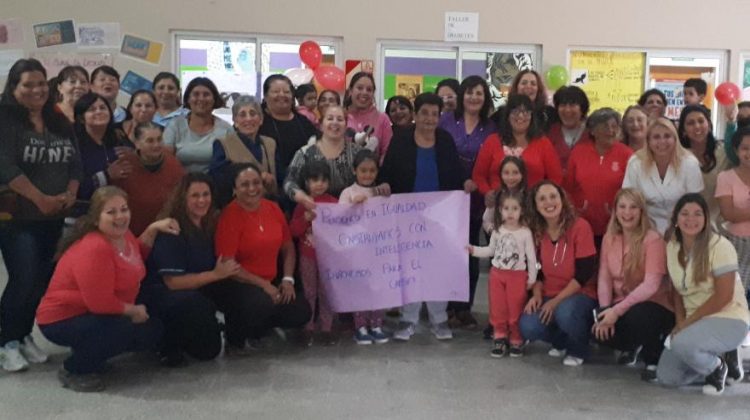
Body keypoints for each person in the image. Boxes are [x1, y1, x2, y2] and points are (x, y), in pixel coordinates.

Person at [36, 186, 178, 391]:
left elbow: (136, 255)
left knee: (151, 330)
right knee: (123, 329)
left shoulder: (124, 235)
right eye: (111, 212)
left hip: (97, 312)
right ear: (96, 218)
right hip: (62, 319)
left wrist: (153, 228)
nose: (120, 216)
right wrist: (133, 310)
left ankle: (92, 352)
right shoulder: (95, 248)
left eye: (124, 209)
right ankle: (75, 368)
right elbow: (100, 303)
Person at [0, 58, 81, 372]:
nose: (35, 90)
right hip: (17, 217)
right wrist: (39, 198)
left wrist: (71, 192)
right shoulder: (6, 118)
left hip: (53, 216)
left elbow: (75, 163)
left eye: (39, 83)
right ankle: (5, 341)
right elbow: (5, 166)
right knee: (23, 278)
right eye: (27, 84)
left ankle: (22, 336)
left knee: (40, 281)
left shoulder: (57, 119)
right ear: (14, 88)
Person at [379, 93, 470, 341]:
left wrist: (466, 182)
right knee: (409, 267)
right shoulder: (401, 140)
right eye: (425, 113)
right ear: (415, 115)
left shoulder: (445, 140)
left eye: (434, 114)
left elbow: (456, 171)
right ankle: (409, 318)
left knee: (437, 267)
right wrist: (384, 185)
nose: (429, 118)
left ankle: (438, 319)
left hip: (440, 216)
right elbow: (387, 172)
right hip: (407, 216)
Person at [656, 194, 749, 396]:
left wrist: (685, 325)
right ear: (676, 219)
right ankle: (716, 357)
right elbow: (677, 291)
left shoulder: (720, 246)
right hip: (694, 322)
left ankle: (716, 368)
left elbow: (723, 297)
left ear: (706, 218)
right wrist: (680, 320)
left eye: (698, 214)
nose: (691, 219)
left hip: (728, 318)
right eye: (685, 214)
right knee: (667, 378)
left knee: (682, 343)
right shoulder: (672, 246)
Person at [141, 173, 236, 366]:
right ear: (182, 198)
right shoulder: (172, 229)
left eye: (205, 194)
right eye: (195, 196)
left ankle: (238, 335)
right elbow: (173, 282)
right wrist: (216, 275)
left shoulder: (209, 223)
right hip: (166, 295)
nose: (201, 200)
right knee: (208, 351)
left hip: (198, 289)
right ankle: (166, 340)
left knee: (238, 292)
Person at [214, 163, 312, 349]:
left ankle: (263, 326)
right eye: (244, 184)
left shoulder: (273, 208)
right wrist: (264, 285)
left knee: (301, 310)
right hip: (239, 283)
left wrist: (288, 279)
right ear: (234, 189)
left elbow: (288, 246)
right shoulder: (229, 216)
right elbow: (228, 264)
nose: (252, 188)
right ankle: (240, 331)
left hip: (271, 281)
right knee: (260, 304)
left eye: (256, 182)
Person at [594, 188, 675, 382]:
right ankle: (632, 346)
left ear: (642, 212)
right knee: (599, 332)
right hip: (624, 304)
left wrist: (616, 312)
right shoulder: (609, 238)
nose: (627, 213)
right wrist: (605, 310)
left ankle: (653, 358)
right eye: (622, 206)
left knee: (640, 316)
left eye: (633, 207)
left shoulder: (653, 240)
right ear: (615, 210)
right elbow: (604, 276)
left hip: (655, 305)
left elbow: (651, 285)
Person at [438, 75, 496, 329]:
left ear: (485, 98)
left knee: (470, 255)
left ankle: (464, 308)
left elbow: (494, 160)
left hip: (477, 200)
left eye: (479, 93)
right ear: (462, 96)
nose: (474, 97)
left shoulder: (492, 127)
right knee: (448, 254)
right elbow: (439, 153)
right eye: (470, 92)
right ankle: (446, 307)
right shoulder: (447, 121)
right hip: (449, 196)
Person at [519, 181, 598, 367]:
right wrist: (537, 295)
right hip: (548, 292)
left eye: (553, 196)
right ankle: (561, 340)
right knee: (528, 326)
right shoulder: (537, 231)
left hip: (580, 293)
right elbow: (536, 269)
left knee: (566, 313)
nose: (549, 202)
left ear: (562, 199)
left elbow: (584, 273)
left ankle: (578, 348)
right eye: (542, 199)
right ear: (536, 206)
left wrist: (555, 302)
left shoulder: (580, 226)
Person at [469, 190, 537, 357]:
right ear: (500, 210)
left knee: (515, 308)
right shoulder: (498, 231)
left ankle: (516, 338)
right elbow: (490, 250)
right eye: (506, 208)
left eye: (515, 208)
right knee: (498, 308)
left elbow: (532, 257)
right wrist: (473, 250)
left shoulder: (525, 232)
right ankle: (500, 336)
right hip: (497, 275)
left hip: (517, 276)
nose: (510, 212)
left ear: (522, 210)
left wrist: (532, 278)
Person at [285, 105, 389, 207]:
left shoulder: (358, 152)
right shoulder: (305, 153)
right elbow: (289, 182)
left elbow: (373, 179)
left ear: (346, 125)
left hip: (353, 213)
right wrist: (300, 196)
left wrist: (381, 187)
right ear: (321, 124)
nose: (335, 122)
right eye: (330, 118)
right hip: (314, 212)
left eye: (340, 119)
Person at [339, 150, 390, 344]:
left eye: (372, 171)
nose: (367, 175)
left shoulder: (380, 193)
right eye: (363, 171)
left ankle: (376, 324)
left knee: (378, 287)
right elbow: (338, 219)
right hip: (356, 251)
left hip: (378, 251)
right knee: (360, 288)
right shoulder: (348, 193)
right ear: (354, 171)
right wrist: (352, 204)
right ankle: (360, 326)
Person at [622, 117, 704, 234]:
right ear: (648, 141)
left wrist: (677, 228)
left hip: (684, 225)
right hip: (644, 225)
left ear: (675, 139)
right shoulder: (635, 162)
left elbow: (695, 203)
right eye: (656, 137)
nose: (662, 142)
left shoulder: (689, 162)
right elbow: (629, 199)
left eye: (667, 136)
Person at [564, 108, 633, 246]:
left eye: (614, 126)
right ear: (593, 131)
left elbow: (632, 191)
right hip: (582, 222)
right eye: (605, 126)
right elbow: (567, 186)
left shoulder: (627, 154)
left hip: (616, 224)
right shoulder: (578, 152)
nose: (611, 131)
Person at [289, 162, 338, 346]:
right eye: (315, 180)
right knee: (309, 292)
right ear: (306, 182)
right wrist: (305, 219)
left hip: (329, 257)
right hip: (308, 256)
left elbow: (343, 226)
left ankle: (326, 328)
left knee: (327, 292)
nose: (319, 184)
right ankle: (307, 327)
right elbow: (293, 231)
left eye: (324, 180)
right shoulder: (302, 204)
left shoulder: (333, 202)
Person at [473, 94, 563, 196]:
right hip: (499, 204)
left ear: (531, 116)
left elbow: (556, 177)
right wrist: (487, 193)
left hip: (533, 206)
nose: (520, 116)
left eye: (525, 112)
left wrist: (544, 196)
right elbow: (478, 176)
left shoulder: (543, 143)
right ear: (508, 115)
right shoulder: (492, 141)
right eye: (515, 111)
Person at [112, 122, 185, 236]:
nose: (156, 145)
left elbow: (180, 200)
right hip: (129, 231)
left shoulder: (174, 165)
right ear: (137, 144)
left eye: (159, 139)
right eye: (150, 141)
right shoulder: (124, 165)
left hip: (165, 231)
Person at [210, 95, 277, 207]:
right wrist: (258, 175)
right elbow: (218, 176)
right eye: (242, 115)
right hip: (235, 206)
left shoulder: (270, 143)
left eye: (252, 113)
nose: (248, 119)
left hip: (267, 206)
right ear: (235, 121)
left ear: (261, 119)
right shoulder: (223, 143)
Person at [72, 92, 132, 217]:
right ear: (81, 118)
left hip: (114, 213)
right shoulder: (74, 145)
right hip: (81, 215)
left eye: (103, 108)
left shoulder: (117, 139)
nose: (98, 112)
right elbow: (74, 189)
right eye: (92, 109)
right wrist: (107, 175)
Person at [163, 77, 232, 173]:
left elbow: (233, 164)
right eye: (196, 94)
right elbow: (166, 161)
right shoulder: (174, 125)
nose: (201, 98)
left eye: (206, 94)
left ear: (214, 99)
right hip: (181, 183)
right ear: (188, 99)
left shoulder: (226, 129)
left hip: (215, 184)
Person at [258, 74, 317, 184]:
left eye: (286, 92)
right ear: (265, 96)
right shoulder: (257, 122)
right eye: (275, 91)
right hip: (269, 186)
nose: (281, 95)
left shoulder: (303, 121)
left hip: (304, 184)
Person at [715, 126, 750, 305]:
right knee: (737, 300)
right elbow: (728, 214)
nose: (749, 153)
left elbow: (737, 213)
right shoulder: (725, 177)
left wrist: (742, 213)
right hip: (737, 246)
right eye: (745, 148)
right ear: (736, 150)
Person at [678, 105, 727, 223]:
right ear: (683, 130)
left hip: (720, 225)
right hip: (688, 223)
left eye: (701, 121)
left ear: (709, 125)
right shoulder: (678, 156)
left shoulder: (724, 152)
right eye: (690, 123)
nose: (697, 126)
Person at [345, 72, 393, 160]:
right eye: (360, 88)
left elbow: (386, 153)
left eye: (369, 89)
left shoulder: (382, 118)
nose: (364, 92)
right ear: (351, 90)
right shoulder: (341, 116)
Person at [492, 70, 556, 133]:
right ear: (516, 87)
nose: (528, 86)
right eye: (524, 83)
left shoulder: (549, 113)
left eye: (533, 84)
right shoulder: (502, 113)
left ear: (538, 90)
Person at [547, 85, 591, 171]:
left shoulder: (593, 132)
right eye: (563, 105)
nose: (567, 110)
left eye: (572, 105)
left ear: (582, 108)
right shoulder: (550, 132)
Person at [482, 156, 527, 234]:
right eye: (506, 173)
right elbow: (486, 221)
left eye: (515, 173)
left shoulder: (528, 197)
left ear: (522, 174)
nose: (511, 177)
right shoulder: (496, 196)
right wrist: (494, 232)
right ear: (501, 175)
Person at [722, 101, 750, 166]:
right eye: (740, 117)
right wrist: (731, 120)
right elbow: (730, 149)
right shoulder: (734, 144)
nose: (745, 120)